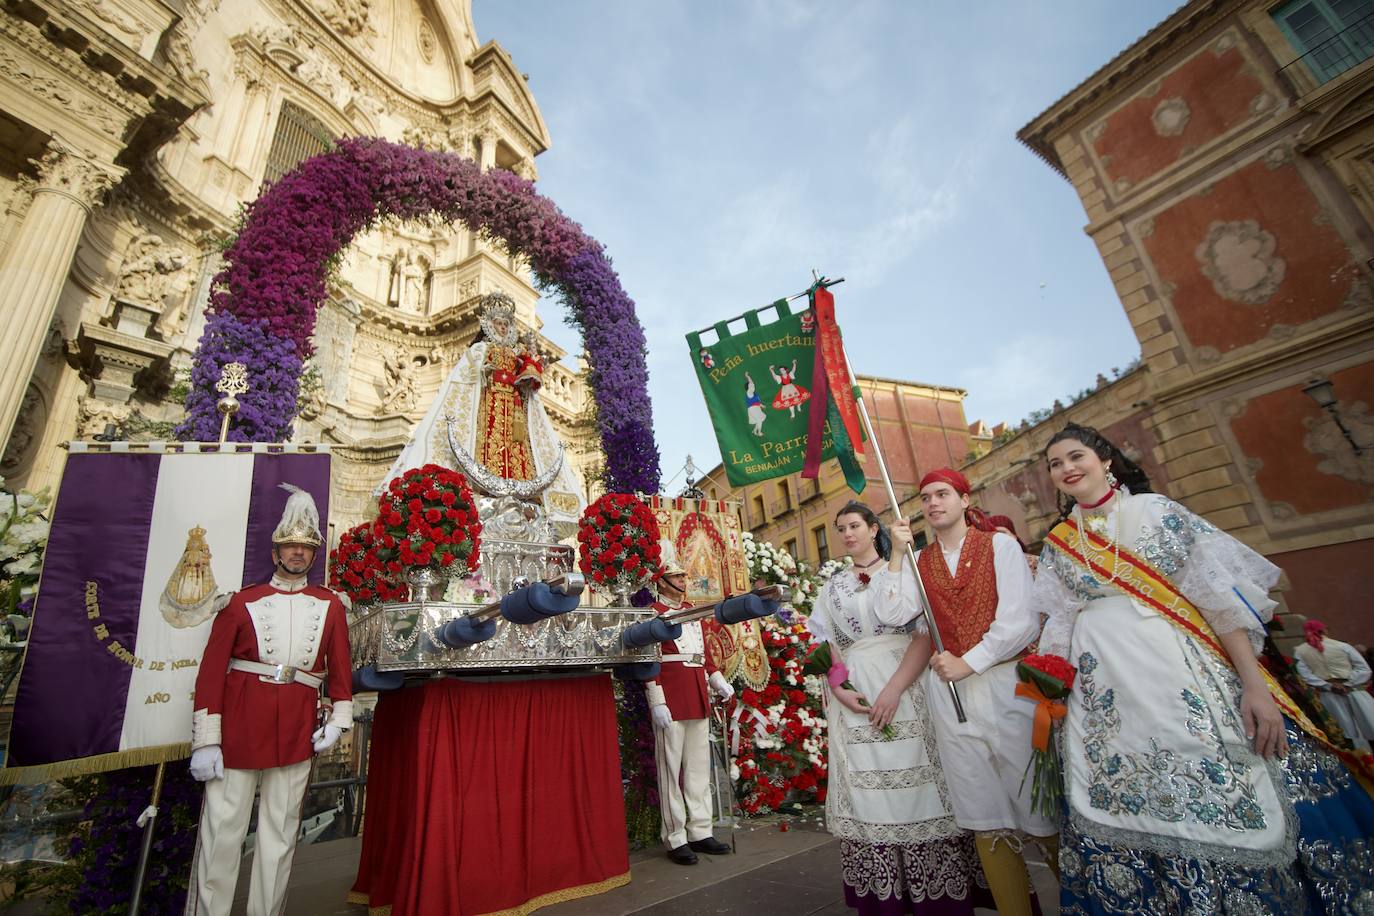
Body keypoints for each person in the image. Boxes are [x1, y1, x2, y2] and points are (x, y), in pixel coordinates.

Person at [1033, 422, 1374, 913]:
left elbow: (1220, 605)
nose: (1066, 468)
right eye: (1054, 464)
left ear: (1106, 460)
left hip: (1182, 680)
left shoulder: (1158, 513)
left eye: (1075, 456)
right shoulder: (1061, 543)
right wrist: (1051, 694)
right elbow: (1060, 625)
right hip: (1106, 702)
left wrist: (1254, 687)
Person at [881, 470, 1055, 916]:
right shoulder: (920, 561)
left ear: (963, 499)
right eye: (925, 498)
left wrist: (969, 661)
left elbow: (1021, 621)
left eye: (942, 495)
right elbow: (894, 611)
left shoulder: (999, 544)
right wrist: (898, 556)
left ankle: (1079, 901)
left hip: (1003, 684)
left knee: (1037, 802)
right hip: (953, 699)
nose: (933, 503)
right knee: (983, 809)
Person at [807, 501, 990, 914]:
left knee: (921, 787)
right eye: (841, 527)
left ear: (874, 529)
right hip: (855, 696)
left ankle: (938, 899)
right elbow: (827, 644)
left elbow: (925, 636)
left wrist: (893, 689)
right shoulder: (830, 587)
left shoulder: (907, 571)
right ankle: (884, 900)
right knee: (869, 792)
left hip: (906, 686)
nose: (847, 533)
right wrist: (839, 687)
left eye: (855, 524)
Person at [186, 484, 354, 916]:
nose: (297, 554)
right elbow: (211, 672)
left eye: (305, 548)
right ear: (276, 552)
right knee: (221, 835)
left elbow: (339, 668)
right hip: (240, 728)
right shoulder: (241, 602)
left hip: (297, 730)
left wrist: (339, 718)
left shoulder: (330, 605)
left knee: (279, 839)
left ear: (313, 556)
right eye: (290, 546)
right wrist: (206, 739)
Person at [645, 542, 734, 865]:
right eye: (676, 576)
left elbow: (704, 656)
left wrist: (718, 681)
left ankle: (700, 830)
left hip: (697, 695)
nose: (682, 581)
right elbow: (648, 659)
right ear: (661, 581)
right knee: (671, 770)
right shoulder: (652, 614)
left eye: (683, 575)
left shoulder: (693, 610)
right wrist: (656, 699)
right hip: (670, 696)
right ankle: (675, 836)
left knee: (698, 769)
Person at [1294, 619, 1374, 752]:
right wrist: (1349, 684)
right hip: (1354, 691)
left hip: (1329, 695)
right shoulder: (1343, 646)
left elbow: (1305, 675)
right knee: (1367, 723)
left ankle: (1360, 759)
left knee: (1345, 730)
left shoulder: (1300, 651)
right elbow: (1364, 669)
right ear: (1325, 630)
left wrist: (1328, 686)